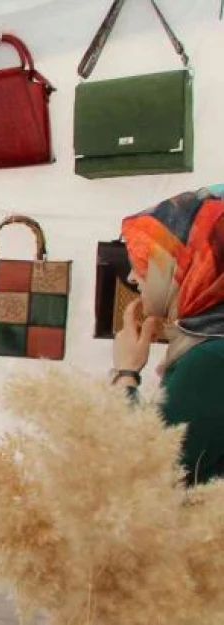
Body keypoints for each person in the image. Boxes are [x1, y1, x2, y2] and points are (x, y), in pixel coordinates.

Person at [111, 186, 224, 485]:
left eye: (146, 261)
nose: (133, 277)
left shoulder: (212, 360)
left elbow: (149, 478)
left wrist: (126, 373)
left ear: (195, 266)